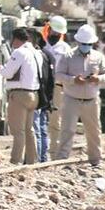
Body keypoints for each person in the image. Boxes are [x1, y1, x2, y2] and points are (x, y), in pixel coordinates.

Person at [54, 25, 105, 165]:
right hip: (71, 98)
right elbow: (59, 74)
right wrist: (73, 80)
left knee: (94, 131)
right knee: (67, 130)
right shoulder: (68, 56)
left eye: (89, 44)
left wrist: (99, 79)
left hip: (92, 100)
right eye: (84, 44)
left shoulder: (98, 56)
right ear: (78, 42)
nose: (86, 46)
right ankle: (62, 160)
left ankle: (96, 159)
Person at [0, 28, 42, 165]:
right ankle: (32, 160)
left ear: (16, 39)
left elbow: (8, 73)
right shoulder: (36, 53)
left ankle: (15, 161)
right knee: (29, 130)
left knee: (18, 131)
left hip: (19, 94)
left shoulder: (19, 52)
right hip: (34, 94)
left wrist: (0, 68)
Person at [42, 16, 73, 160]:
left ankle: (54, 154)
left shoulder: (65, 49)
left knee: (55, 122)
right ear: (49, 29)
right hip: (41, 86)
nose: (55, 35)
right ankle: (40, 152)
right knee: (39, 120)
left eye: (58, 33)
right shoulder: (41, 45)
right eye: (53, 32)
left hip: (57, 88)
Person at [30, 28, 56, 163]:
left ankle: (39, 158)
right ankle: (42, 158)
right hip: (44, 96)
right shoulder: (47, 54)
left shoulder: (40, 55)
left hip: (39, 95)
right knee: (41, 128)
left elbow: (45, 78)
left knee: (37, 128)